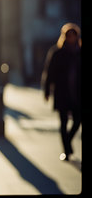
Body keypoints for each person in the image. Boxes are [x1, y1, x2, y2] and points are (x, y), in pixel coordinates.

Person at [41, 22, 81, 161]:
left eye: (73, 36)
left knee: (77, 121)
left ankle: (68, 142)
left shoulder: (79, 53)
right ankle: (67, 151)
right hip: (62, 93)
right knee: (63, 123)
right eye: (68, 36)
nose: (71, 38)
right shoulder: (57, 53)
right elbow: (49, 73)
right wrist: (46, 90)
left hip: (77, 94)